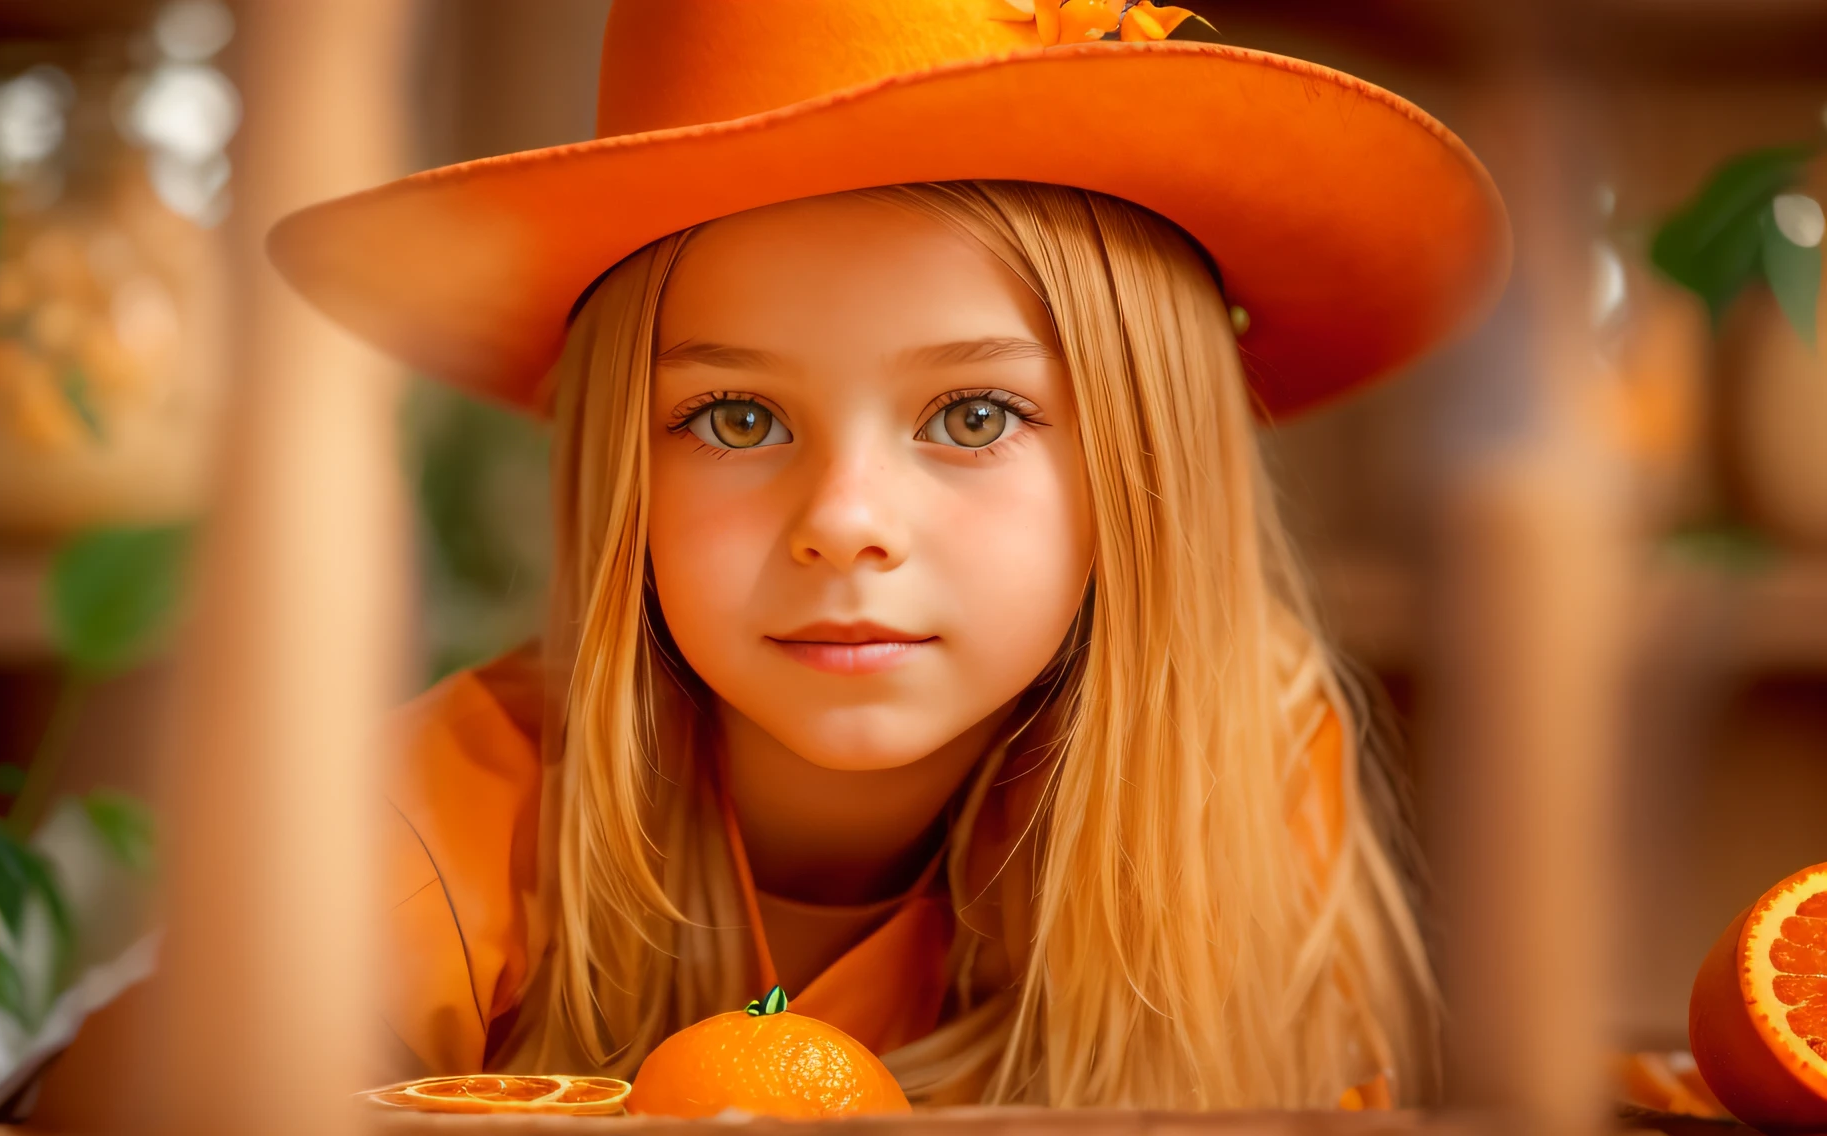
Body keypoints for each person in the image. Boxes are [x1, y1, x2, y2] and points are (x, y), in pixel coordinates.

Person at [269, 0, 1508, 1110]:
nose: (846, 517)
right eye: (736, 418)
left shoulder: (1239, 762)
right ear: (618, 470)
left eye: (972, 414)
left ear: (1147, 463)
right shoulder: (422, 831)